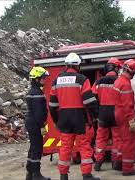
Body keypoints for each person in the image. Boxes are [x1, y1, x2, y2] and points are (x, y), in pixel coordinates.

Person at [49, 52, 100, 180]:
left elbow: (52, 105)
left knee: (65, 147)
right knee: (84, 147)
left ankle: (63, 175)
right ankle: (86, 175)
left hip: (64, 118)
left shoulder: (56, 81)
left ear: (66, 65)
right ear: (78, 66)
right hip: (80, 118)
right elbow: (89, 101)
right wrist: (95, 116)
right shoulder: (82, 79)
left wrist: (56, 120)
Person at [92, 57, 122, 171]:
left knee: (100, 138)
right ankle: (116, 162)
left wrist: (95, 113)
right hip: (116, 112)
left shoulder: (98, 82)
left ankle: (98, 162)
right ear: (116, 68)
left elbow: (92, 97)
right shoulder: (119, 81)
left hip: (103, 112)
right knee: (117, 138)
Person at [113, 59, 135, 176]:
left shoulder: (118, 81)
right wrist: (131, 121)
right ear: (132, 72)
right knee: (129, 142)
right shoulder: (125, 84)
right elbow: (128, 105)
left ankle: (119, 163)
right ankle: (128, 168)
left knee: (122, 140)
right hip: (125, 116)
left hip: (118, 114)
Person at [25, 66, 51, 180]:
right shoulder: (37, 93)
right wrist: (41, 126)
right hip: (36, 124)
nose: (44, 80)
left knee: (33, 148)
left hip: (31, 123)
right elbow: (39, 113)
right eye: (43, 78)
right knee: (37, 148)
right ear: (36, 79)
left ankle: (30, 174)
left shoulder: (32, 91)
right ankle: (36, 174)